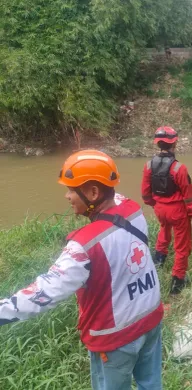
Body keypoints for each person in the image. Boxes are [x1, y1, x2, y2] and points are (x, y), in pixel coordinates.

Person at [0, 150, 163, 390]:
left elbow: (44, 292)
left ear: (93, 192)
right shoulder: (133, 209)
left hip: (116, 337)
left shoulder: (84, 246)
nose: (67, 196)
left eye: (71, 189)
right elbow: (115, 196)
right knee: (151, 384)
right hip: (151, 318)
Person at [141, 126, 192, 294]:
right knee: (182, 246)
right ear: (175, 144)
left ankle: (158, 262)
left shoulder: (148, 166)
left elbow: (145, 194)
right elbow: (189, 198)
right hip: (178, 211)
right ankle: (177, 282)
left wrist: (157, 205)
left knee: (164, 230)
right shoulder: (179, 168)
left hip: (160, 209)